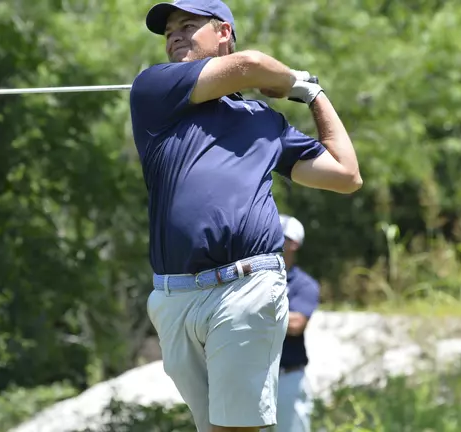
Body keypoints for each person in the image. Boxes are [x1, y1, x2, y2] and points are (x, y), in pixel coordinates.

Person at [129, 0, 362, 431]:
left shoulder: (264, 122)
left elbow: (346, 175)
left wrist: (313, 95)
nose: (175, 35)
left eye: (188, 25)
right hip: (173, 297)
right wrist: (292, 80)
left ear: (224, 33)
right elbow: (251, 65)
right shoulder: (154, 90)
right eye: (169, 32)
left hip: (246, 285)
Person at [262, 215, 320, 432]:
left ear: (293, 243)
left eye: (277, 236)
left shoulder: (304, 284)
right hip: (253, 376)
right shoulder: (253, 277)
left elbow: (296, 324)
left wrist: (254, 313)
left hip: (287, 378)